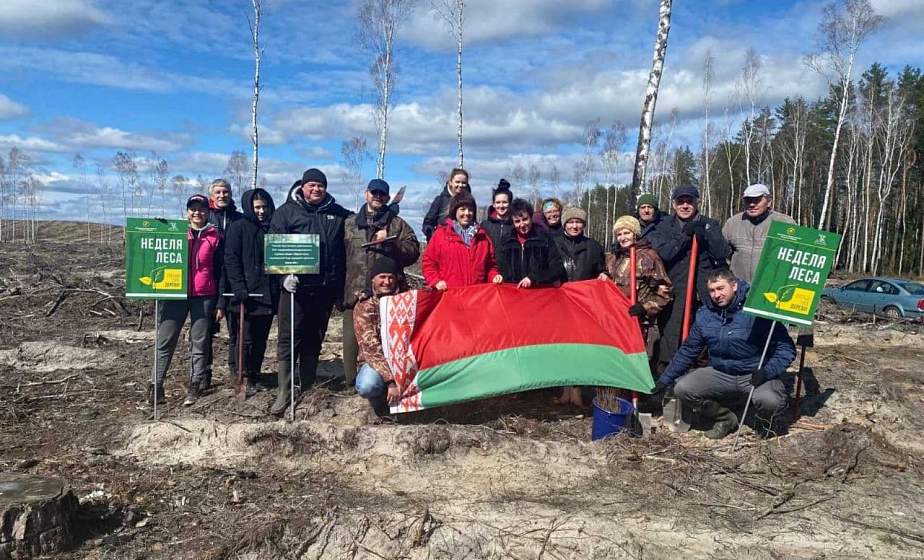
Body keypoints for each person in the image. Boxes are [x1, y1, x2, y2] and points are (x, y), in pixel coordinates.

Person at [652, 269, 796, 438]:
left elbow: (786, 349)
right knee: (683, 388)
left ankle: (765, 421)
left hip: (754, 373)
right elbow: (688, 350)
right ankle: (725, 418)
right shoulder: (705, 315)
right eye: (712, 290)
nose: (716, 295)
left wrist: (767, 372)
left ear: (734, 286)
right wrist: (664, 380)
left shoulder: (757, 309)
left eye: (721, 288)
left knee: (770, 400)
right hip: (721, 372)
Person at [268, 168, 350, 415]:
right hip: (296, 289)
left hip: (324, 289)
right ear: (302, 187)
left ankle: (307, 385)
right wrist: (284, 276)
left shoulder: (337, 213)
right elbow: (275, 246)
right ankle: (284, 390)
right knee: (289, 338)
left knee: (314, 338)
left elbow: (360, 225)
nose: (316, 189)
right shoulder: (286, 212)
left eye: (320, 185)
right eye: (311, 185)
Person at [342, 178, 420, 388]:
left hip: (390, 296)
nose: (377, 196)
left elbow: (413, 253)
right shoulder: (349, 223)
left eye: (382, 194)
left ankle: (388, 384)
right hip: (355, 293)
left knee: (390, 343)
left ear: (386, 197)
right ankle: (354, 386)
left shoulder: (398, 224)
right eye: (373, 192)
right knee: (352, 345)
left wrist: (392, 242)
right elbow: (339, 257)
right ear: (366, 194)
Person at [149, 194, 224, 406]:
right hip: (175, 295)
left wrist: (220, 302)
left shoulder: (215, 236)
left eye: (202, 209)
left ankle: (195, 384)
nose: (197, 212)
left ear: (208, 212)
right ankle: (155, 385)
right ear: (187, 211)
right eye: (193, 209)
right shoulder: (175, 232)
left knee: (199, 342)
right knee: (165, 340)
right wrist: (155, 228)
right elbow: (152, 249)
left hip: (204, 297)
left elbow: (221, 270)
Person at [650, 185, 730, 369]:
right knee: (671, 333)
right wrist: (685, 236)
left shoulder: (710, 224)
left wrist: (706, 237)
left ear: (697, 203)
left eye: (689, 201)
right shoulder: (664, 226)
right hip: (673, 290)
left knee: (701, 334)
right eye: (681, 202)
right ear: (674, 204)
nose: (685, 206)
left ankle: (697, 376)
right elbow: (664, 253)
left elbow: (721, 253)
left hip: (702, 293)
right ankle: (668, 375)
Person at [223, 188, 279, 396]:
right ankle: (242, 375)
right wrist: (238, 287)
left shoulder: (273, 229)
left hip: (267, 294)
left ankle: (255, 374)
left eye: (265, 207)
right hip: (245, 295)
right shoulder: (238, 227)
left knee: (261, 339)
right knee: (244, 339)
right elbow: (231, 259)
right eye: (257, 207)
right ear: (249, 207)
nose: (261, 211)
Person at [552, 206, 607, 406]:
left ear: (583, 225)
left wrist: (603, 274)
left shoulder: (593, 247)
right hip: (559, 304)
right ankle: (564, 389)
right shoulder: (554, 244)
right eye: (571, 222)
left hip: (583, 305)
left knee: (579, 348)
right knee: (562, 347)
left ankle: (576, 390)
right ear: (564, 224)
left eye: (578, 222)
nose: (574, 226)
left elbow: (600, 269)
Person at [606, 215, 673, 373]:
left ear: (635, 234)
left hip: (642, 323)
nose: (623, 237)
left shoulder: (648, 257)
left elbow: (665, 292)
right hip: (618, 321)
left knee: (639, 367)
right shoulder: (613, 258)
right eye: (619, 234)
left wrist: (645, 307)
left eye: (627, 233)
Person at [353, 257, 405, 418]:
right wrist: (390, 381)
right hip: (375, 360)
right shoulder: (364, 306)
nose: (387, 282)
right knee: (368, 385)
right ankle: (378, 405)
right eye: (382, 277)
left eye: (391, 277)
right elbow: (371, 348)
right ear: (373, 279)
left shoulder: (406, 300)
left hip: (403, 359)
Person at [422, 192, 502, 289]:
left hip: (476, 295)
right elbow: (428, 263)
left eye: (470, 210)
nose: (467, 213)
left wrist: (494, 276)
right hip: (449, 294)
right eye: (462, 209)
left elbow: (490, 266)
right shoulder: (441, 235)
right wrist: (435, 281)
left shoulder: (483, 237)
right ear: (455, 211)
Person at [722, 183, 796, 283]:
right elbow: (722, 256)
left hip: (770, 286)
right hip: (739, 287)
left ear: (769, 202)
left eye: (757, 200)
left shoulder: (785, 223)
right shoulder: (732, 223)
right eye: (748, 200)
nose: (752, 204)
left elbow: (797, 258)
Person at [498, 198, 565, 288]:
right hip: (514, 292)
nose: (522, 224)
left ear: (531, 217)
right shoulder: (506, 242)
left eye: (525, 219)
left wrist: (533, 278)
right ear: (512, 222)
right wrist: (499, 276)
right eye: (517, 221)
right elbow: (500, 269)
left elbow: (557, 268)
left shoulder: (544, 238)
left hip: (539, 292)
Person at [422, 168, 470, 240]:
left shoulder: (469, 202)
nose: (460, 185)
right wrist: (433, 236)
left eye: (463, 183)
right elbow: (428, 223)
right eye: (457, 182)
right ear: (450, 182)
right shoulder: (440, 200)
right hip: (443, 241)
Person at [481, 179, 514, 250]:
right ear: (493, 204)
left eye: (504, 202)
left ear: (510, 204)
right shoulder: (485, 225)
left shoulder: (515, 225)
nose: (501, 206)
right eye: (498, 202)